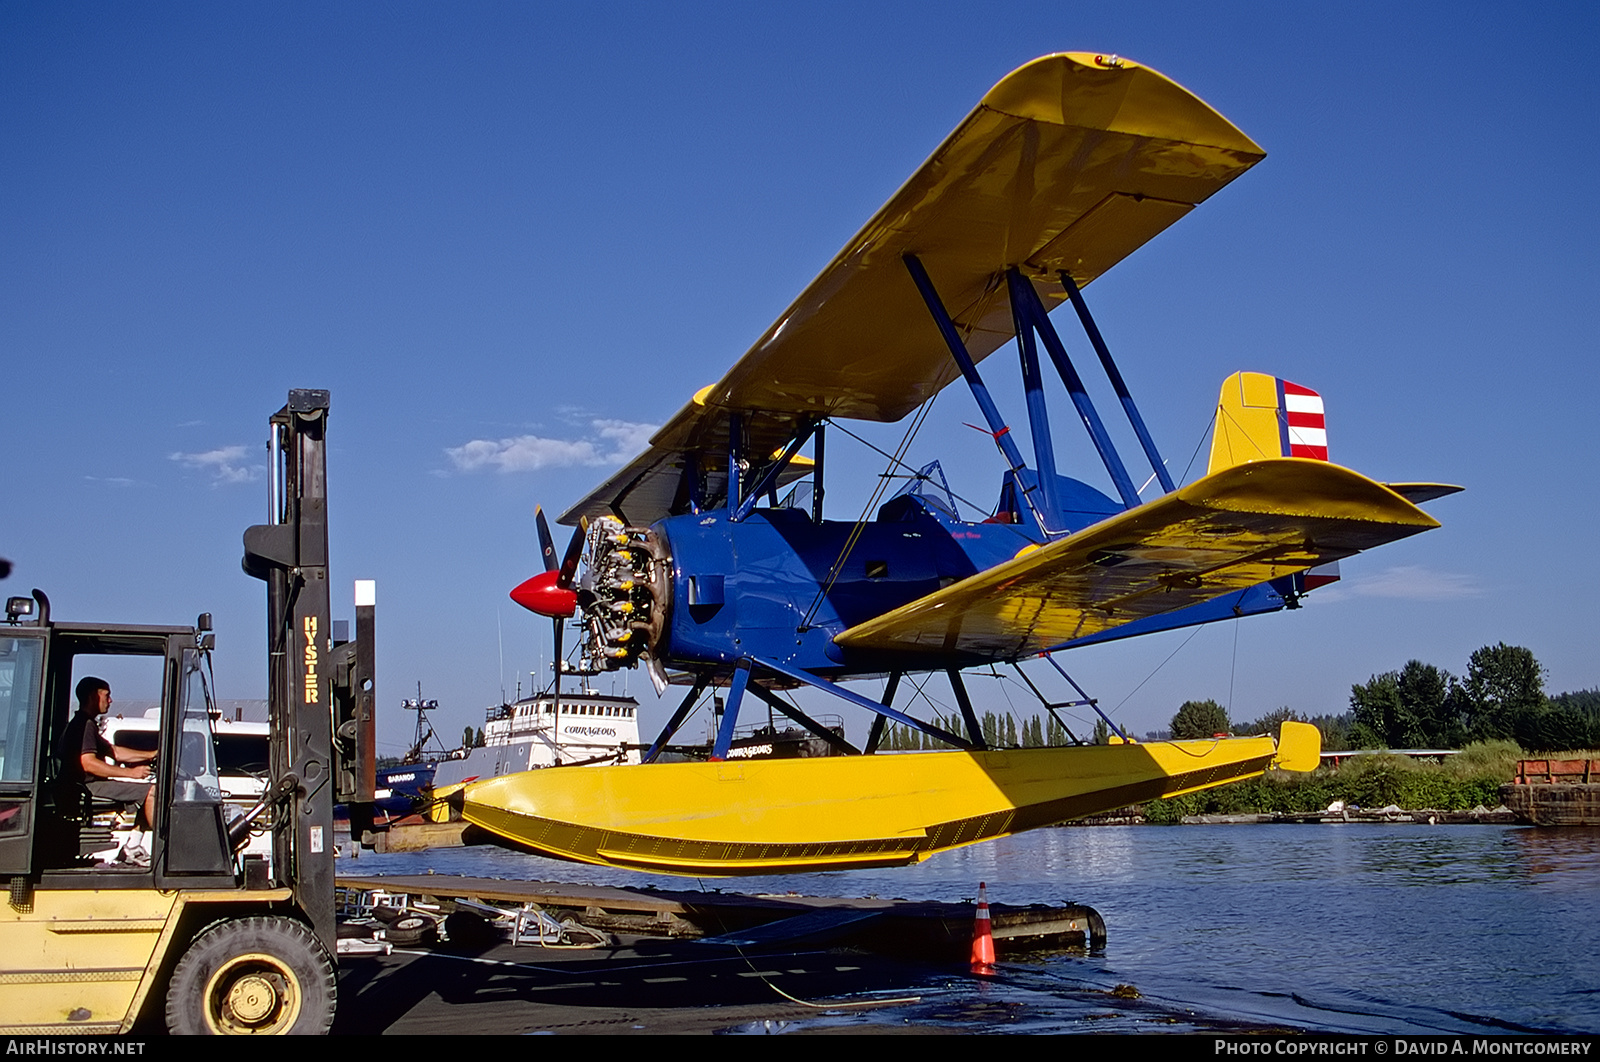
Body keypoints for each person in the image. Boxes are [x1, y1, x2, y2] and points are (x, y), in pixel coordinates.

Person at [59, 677, 157, 830]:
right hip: (87, 787)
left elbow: (115, 752)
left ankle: (133, 846)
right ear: (93, 696)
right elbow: (88, 763)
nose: (110, 701)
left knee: (149, 791)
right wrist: (131, 773)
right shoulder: (85, 725)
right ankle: (162, 846)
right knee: (153, 792)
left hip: (85, 785)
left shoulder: (84, 722)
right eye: (107, 695)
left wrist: (151, 754)